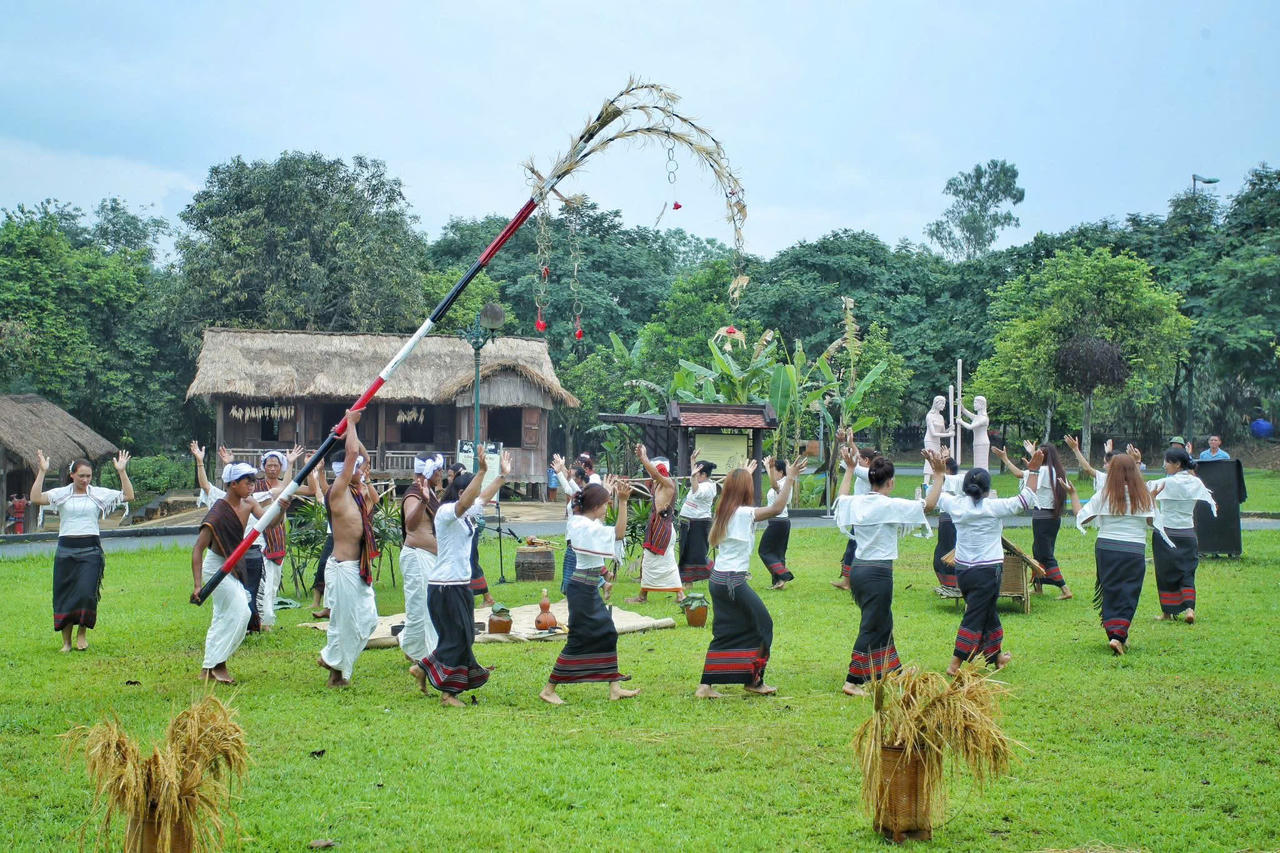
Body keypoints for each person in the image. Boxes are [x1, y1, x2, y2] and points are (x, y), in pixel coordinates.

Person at [695, 453, 804, 699]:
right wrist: (790, 478)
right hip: (733, 581)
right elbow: (777, 508)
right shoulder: (744, 513)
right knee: (764, 625)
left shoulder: (723, 511)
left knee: (725, 630)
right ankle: (754, 681)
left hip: (718, 580)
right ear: (745, 490)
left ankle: (705, 686)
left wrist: (743, 474)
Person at [926, 449, 1042, 675]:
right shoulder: (993, 507)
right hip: (987, 572)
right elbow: (1026, 499)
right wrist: (1034, 471)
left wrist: (938, 474)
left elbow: (935, 495)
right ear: (988, 490)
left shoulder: (955, 504)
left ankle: (996, 657)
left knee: (986, 611)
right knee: (975, 615)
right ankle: (954, 664)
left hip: (963, 571)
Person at [411, 450, 511, 706]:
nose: (475, 498)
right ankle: (448, 694)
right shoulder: (447, 512)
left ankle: (422, 668)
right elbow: (467, 502)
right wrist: (482, 471)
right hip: (445, 587)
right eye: (470, 492)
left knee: (464, 637)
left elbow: (483, 498)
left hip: (460, 585)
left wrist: (502, 476)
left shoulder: (466, 514)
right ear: (461, 492)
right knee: (458, 638)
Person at [541, 477, 641, 704]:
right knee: (578, 638)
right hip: (581, 590)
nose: (607, 509)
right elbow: (618, 533)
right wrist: (623, 502)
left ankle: (614, 688)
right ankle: (548, 690)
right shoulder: (585, 526)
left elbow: (594, 553)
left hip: (586, 588)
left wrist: (604, 575)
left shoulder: (580, 522)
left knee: (608, 633)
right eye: (605, 504)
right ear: (595, 506)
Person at [839, 452, 933, 696]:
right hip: (877, 573)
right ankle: (852, 681)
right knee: (871, 625)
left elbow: (842, 497)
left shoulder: (858, 502)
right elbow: (929, 506)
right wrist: (940, 475)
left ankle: (893, 670)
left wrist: (849, 469)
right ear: (890, 482)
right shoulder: (890, 505)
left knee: (883, 621)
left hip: (858, 570)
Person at [29, 450, 133, 652]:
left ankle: (82, 635)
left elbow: (128, 495)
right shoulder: (61, 494)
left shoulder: (97, 493)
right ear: (72, 475)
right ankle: (66, 642)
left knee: (86, 593)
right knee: (65, 594)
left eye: (88, 476)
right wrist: (42, 471)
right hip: (66, 550)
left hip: (90, 550)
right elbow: (35, 498)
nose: (85, 480)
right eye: (81, 476)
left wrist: (122, 472)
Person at [191, 460, 284, 683]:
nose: (252, 485)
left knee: (223, 616)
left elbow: (270, 523)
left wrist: (281, 509)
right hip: (217, 567)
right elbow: (198, 549)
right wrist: (197, 585)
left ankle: (209, 667)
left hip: (234, 565)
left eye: (253, 481)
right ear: (233, 484)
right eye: (247, 481)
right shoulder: (218, 512)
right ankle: (218, 664)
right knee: (241, 611)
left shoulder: (250, 503)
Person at [317, 409, 381, 687]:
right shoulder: (338, 492)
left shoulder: (358, 492)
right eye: (354, 468)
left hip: (358, 568)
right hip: (343, 567)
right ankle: (336, 672)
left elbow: (362, 458)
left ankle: (332, 661)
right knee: (345, 624)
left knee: (368, 620)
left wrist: (349, 433)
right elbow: (353, 455)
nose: (361, 470)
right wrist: (351, 424)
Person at [1075, 453, 1155, 655]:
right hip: (1133, 549)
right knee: (1129, 591)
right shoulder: (1143, 494)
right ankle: (1118, 636)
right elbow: (1152, 522)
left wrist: (1073, 494)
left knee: (1110, 590)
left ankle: (1116, 635)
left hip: (1107, 547)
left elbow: (1083, 517)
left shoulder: (1104, 494)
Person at [994, 441, 1073, 600]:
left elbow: (1019, 474)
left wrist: (1005, 459)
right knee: (1038, 550)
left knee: (1045, 554)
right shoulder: (1057, 470)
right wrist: (1033, 454)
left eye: (1038, 454)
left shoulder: (1043, 471)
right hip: (1052, 518)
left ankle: (1065, 589)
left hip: (1042, 518)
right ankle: (1038, 586)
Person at [1150, 448, 1217, 623]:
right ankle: (1189, 610)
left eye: (1167, 461)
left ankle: (1167, 612)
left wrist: (1135, 463)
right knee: (1187, 571)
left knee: (1164, 573)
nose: (1164, 465)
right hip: (1187, 533)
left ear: (1177, 464)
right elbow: (1211, 502)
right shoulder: (1196, 482)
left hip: (1166, 533)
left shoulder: (1165, 483)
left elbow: (1140, 488)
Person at [253, 446, 311, 631]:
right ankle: (261, 620)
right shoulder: (256, 486)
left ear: (281, 468)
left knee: (273, 584)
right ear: (263, 467)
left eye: (276, 465)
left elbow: (309, 489)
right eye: (269, 465)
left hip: (277, 538)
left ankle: (266, 621)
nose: (272, 469)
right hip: (261, 540)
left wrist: (307, 467)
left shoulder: (284, 485)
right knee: (263, 584)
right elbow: (282, 491)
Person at [399, 453, 445, 663]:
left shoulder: (429, 491)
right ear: (429, 471)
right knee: (421, 608)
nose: (441, 472)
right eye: (438, 469)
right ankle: (428, 655)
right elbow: (410, 525)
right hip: (417, 557)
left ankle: (412, 648)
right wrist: (423, 501)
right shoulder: (414, 494)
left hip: (429, 558)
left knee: (425, 607)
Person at [627, 445, 685, 604]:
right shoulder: (658, 484)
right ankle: (674, 595)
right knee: (652, 561)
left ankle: (645, 596)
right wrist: (644, 458)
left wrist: (643, 457)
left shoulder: (668, 484)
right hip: (659, 528)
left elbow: (654, 474)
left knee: (653, 560)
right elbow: (653, 474)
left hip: (663, 529)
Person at [831, 438, 876, 591]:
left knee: (854, 549)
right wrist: (849, 443)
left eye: (860, 459)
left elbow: (851, 466)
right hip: (861, 517)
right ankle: (848, 581)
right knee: (852, 548)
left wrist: (842, 446)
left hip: (863, 519)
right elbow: (855, 459)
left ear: (867, 460)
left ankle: (850, 582)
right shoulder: (869, 472)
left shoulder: (868, 473)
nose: (857, 460)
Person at [551, 455, 591, 594]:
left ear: (579, 479)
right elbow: (567, 488)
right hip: (572, 538)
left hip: (578, 538)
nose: (570, 477)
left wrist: (564, 473)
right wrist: (559, 472)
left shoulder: (585, 493)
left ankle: (599, 585)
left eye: (573, 476)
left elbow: (574, 488)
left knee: (575, 568)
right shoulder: (575, 493)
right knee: (573, 568)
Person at [677, 449, 717, 585]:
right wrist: (692, 460)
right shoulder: (699, 482)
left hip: (699, 523)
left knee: (697, 555)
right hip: (689, 522)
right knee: (686, 553)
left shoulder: (708, 487)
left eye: (697, 474)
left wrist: (693, 476)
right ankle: (687, 581)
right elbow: (694, 483)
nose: (694, 476)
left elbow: (697, 492)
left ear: (704, 475)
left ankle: (720, 572)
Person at [757, 457, 795, 590]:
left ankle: (783, 575)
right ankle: (778, 582)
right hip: (782, 521)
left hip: (777, 522)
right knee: (778, 553)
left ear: (781, 472)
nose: (772, 474)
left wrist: (770, 467)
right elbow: (773, 480)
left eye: (775, 471)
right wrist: (768, 467)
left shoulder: (783, 484)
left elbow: (774, 485)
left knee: (764, 551)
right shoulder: (785, 481)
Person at [931, 452, 964, 595]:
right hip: (946, 519)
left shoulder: (955, 479)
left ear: (947, 469)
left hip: (950, 520)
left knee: (946, 553)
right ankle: (948, 583)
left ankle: (953, 584)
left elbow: (940, 476)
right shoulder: (948, 479)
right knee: (942, 553)